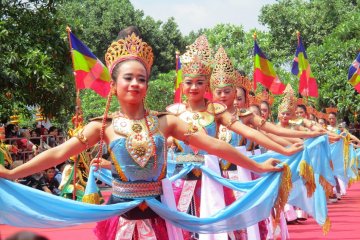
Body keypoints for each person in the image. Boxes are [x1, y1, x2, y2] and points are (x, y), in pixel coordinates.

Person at [0, 30, 282, 240]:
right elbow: (58, 153)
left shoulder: (166, 122)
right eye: (128, 78)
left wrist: (257, 165)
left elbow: (215, 147)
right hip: (121, 216)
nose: (135, 84)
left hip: (161, 215)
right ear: (114, 85)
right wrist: (13, 174)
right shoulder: (102, 126)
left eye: (142, 79)